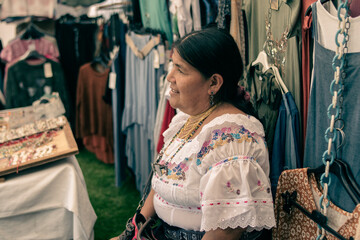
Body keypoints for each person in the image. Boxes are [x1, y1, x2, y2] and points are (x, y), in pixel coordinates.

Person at [112, 27, 275, 240]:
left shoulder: (233, 140)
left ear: (214, 82)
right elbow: (162, 178)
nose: (169, 77)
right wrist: (131, 233)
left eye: (180, 69)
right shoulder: (188, 120)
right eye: (172, 65)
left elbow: (225, 232)